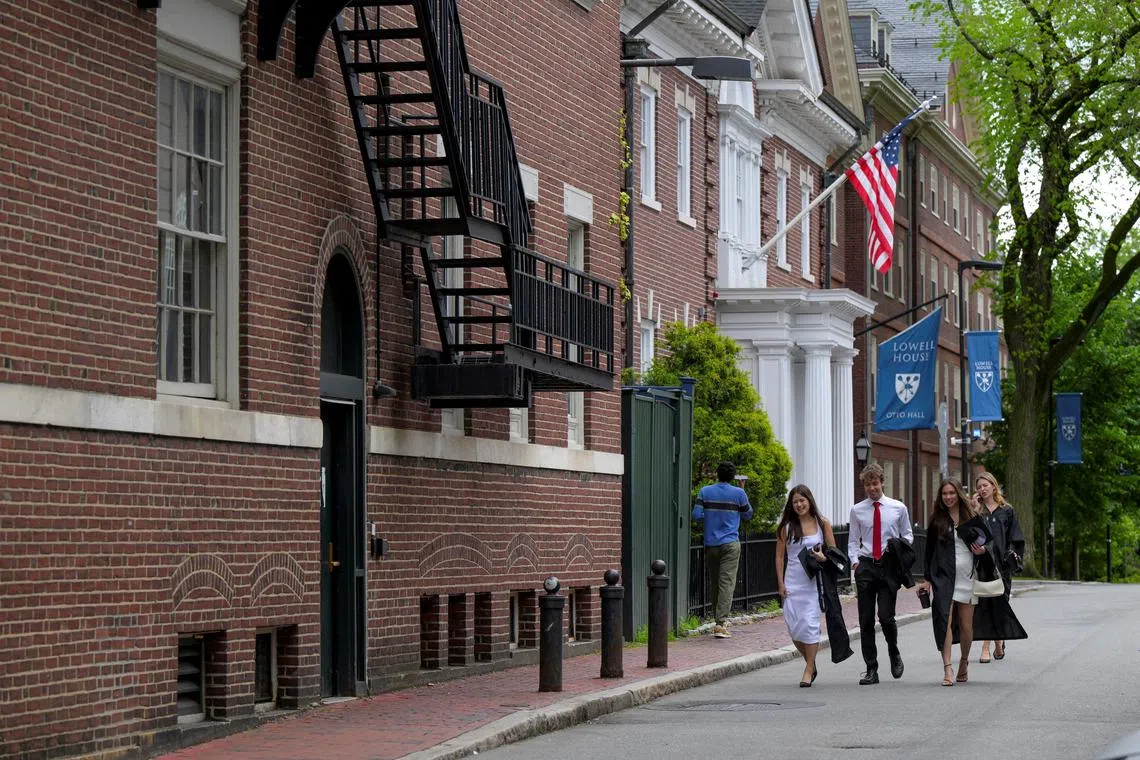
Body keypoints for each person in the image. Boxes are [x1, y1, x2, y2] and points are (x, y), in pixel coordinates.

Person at [916, 478, 989, 686]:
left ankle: (964, 661)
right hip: (943, 577)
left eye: (952, 493)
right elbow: (928, 552)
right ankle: (947, 668)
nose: (948, 497)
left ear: (958, 494)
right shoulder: (937, 520)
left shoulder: (972, 518)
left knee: (966, 627)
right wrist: (927, 579)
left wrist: (983, 551)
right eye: (944, 494)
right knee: (944, 621)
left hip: (967, 577)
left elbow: (985, 544)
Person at [848, 462, 913, 685]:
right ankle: (871, 668)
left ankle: (894, 652)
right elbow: (852, 541)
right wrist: (856, 563)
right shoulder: (857, 510)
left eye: (875, 483)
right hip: (866, 566)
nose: (872, 488)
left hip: (888, 566)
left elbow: (908, 535)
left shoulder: (897, 508)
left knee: (885, 617)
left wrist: (897, 546)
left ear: (882, 482)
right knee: (866, 620)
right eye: (867, 484)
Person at [775, 485, 837, 687]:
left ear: (809, 501)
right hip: (793, 581)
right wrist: (780, 583)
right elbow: (779, 556)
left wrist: (823, 556)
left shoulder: (822, 523)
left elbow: (834, 552)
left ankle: (809, 668)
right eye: (795, 502)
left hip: (813, 582)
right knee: (794, 627)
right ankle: (810, 661)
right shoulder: (786, 527)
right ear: (791, 505)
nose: (799, 504)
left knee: (810, 625)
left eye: (802, 500)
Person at [692, 461, 753, 638]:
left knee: (715, 581)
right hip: (730, 544)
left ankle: (716, 618)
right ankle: (720, 623)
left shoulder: (705, 491)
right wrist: (743, 490)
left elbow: (696, 515)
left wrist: (710, 517)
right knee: (727, 582)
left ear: (717, 474)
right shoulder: (739, 493)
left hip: (711, 544)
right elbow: (748, 514)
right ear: (733, 477)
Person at [974, 472, 1025, 663]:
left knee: (1000, 604)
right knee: (985, 605)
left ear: (994, 487)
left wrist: (1011, 557)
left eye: (986, 485)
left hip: (1001, 566)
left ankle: (998, 641)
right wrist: (974, 508)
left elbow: (1016, 538)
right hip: (982, 565)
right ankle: (986, 647)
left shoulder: (1007, 511)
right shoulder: (977, 512)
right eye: (979, 486)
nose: (982, 489)